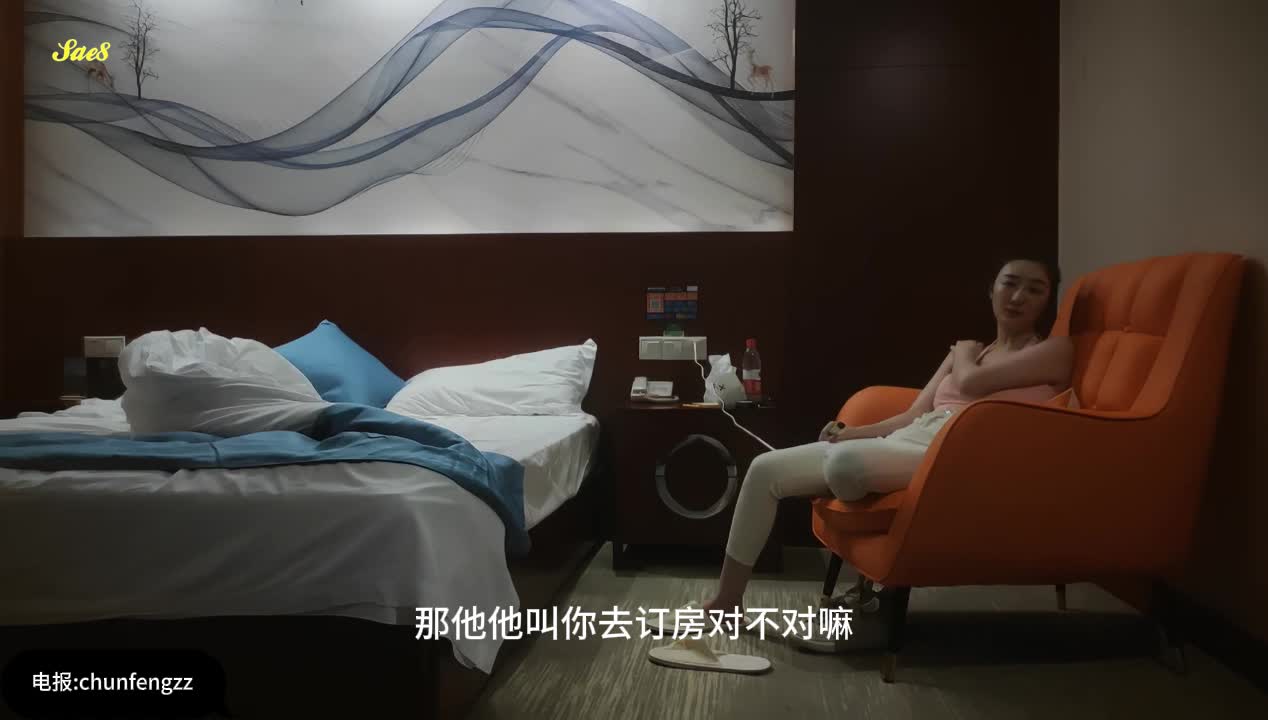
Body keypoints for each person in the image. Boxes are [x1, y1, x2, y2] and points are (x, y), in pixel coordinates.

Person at [694, 257, 1075, 636]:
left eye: (1035, 289)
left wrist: (962, 354)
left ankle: (869, 591)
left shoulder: (1053, 352)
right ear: (992, 289)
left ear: (1048, 300)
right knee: (765, 468)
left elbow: (972, 384)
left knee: (846, 465)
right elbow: (912, 415)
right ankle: (727, 603)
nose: (1018, 296)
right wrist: (852, 433)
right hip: (907, 443)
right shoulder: (972, 353)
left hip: (955, 455)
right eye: (1010, 283)